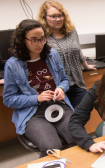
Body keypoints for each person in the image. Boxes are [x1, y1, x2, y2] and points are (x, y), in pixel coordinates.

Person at [3, 19, 76, 158]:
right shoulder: (13, 65)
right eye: (34, 40)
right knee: (52, 148)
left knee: (78, 137)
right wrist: (36, 98)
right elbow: (8, 99)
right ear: (22, 40)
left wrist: (61, 88)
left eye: (42, 39)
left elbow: (65, 80)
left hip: (58, 105)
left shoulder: (52, 55)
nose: (39, 44)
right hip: (33, 113)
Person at [38, 0, 96, 109]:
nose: (58, 19)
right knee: (65, 119)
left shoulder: (71, 31)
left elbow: (78, 51)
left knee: (79, 116)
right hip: (56, 87)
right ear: (44, 17)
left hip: (77, 83)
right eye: (53, 16)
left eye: (60, 15)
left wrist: (86, 66)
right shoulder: (42, 35)